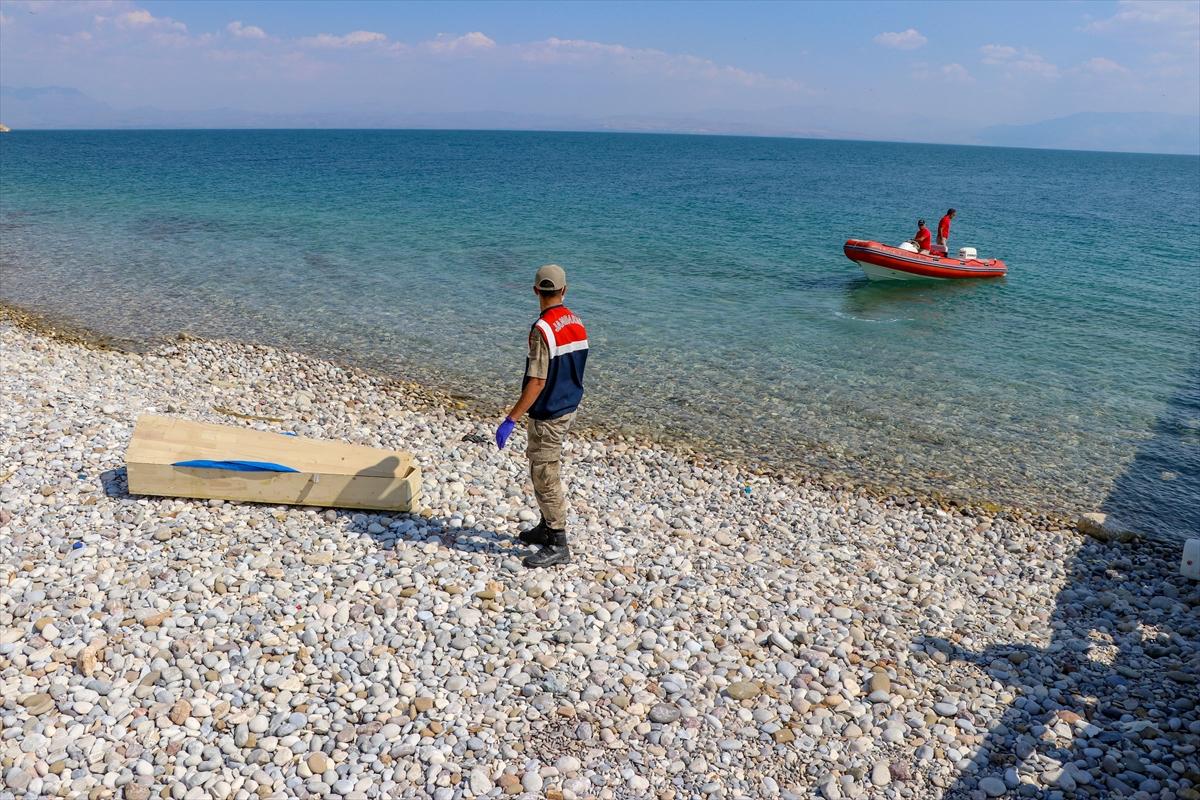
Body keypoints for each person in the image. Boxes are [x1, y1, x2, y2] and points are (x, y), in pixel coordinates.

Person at [495, 264, 589, 568]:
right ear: (564, 290)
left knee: (545, 473)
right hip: (569, 404)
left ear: (536, 290)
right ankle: (546, 527)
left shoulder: (542, 329)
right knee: (542, 468)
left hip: (549, 412)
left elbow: (537, 380)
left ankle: (558, 541)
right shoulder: (576, 321)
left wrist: (511, 419)